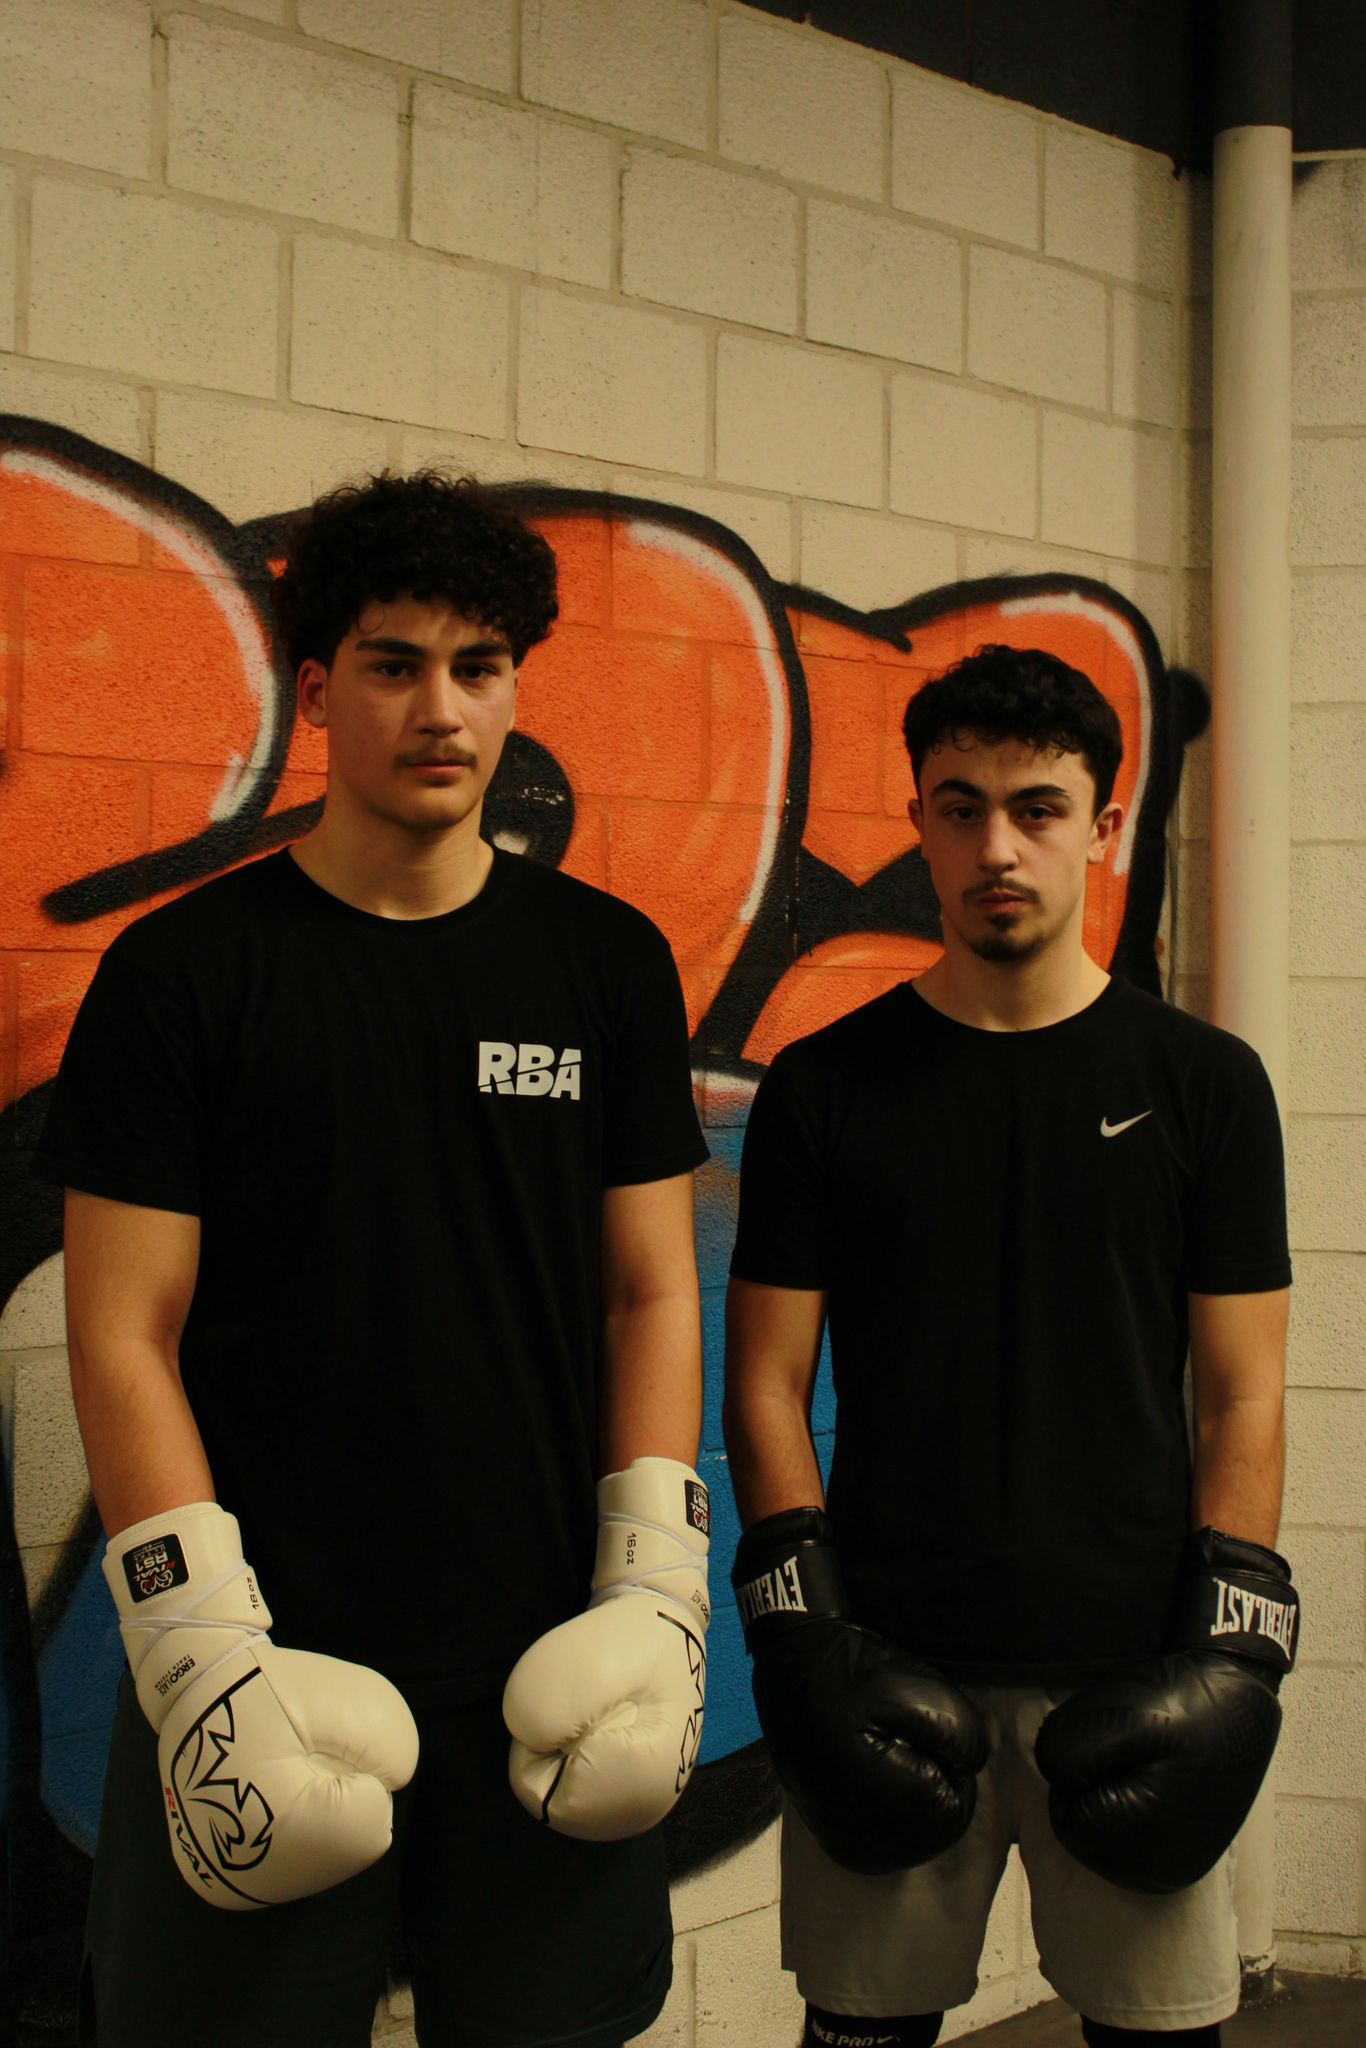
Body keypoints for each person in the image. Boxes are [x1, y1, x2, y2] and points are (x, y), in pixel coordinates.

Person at [35, 470, 711, 2048]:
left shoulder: (600, 963)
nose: (442, 707)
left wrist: (656, 1587)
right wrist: (196, 1648)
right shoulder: (187, 972)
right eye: (396, 664)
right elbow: (123, 1329)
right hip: (264, 1640)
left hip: (545, 1648)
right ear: (321, 687)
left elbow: (652, 1289)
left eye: (479, 667)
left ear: (516, 689)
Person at [723, 646, 1297, 2048]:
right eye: (958, 805)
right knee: (860, 2031)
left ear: (1102, 826)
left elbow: (1241, 1390)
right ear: (916, 818)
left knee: (1159, 2032)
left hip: (1134, 1671)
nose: (995, 847)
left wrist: (1231, 1656)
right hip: (888, 1663)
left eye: (1036, 809)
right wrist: (802, 1633)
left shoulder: (1200, 1088)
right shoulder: (824, 1088)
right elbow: (761, 1379)